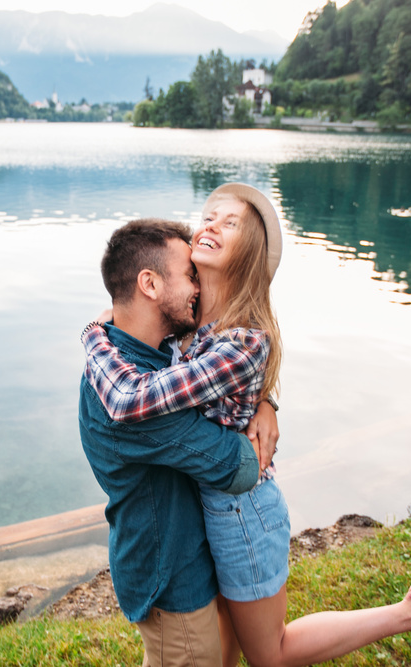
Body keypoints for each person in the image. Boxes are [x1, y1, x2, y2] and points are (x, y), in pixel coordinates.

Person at [81, 184, 411, 667]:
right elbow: (126, 340)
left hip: (240, 513)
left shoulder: (232, 339)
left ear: (246, 254)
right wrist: (264, 400)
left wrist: (91, 336)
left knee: (269, 654)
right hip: (205, 517)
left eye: (228, 223)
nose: (208, 226)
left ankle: (408, 613)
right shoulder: (186, 328)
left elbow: (154, 394)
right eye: (207, 218)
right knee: (232, 650)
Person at [78, 217, 277, 667]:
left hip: (189, 556)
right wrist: (248, 428)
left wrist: (265, 402)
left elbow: (209, 370)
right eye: (191, 276)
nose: (198, 289)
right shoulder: (138, 406)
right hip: (173, 576)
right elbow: (240, 466)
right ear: (149, 284)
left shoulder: (144, 350)